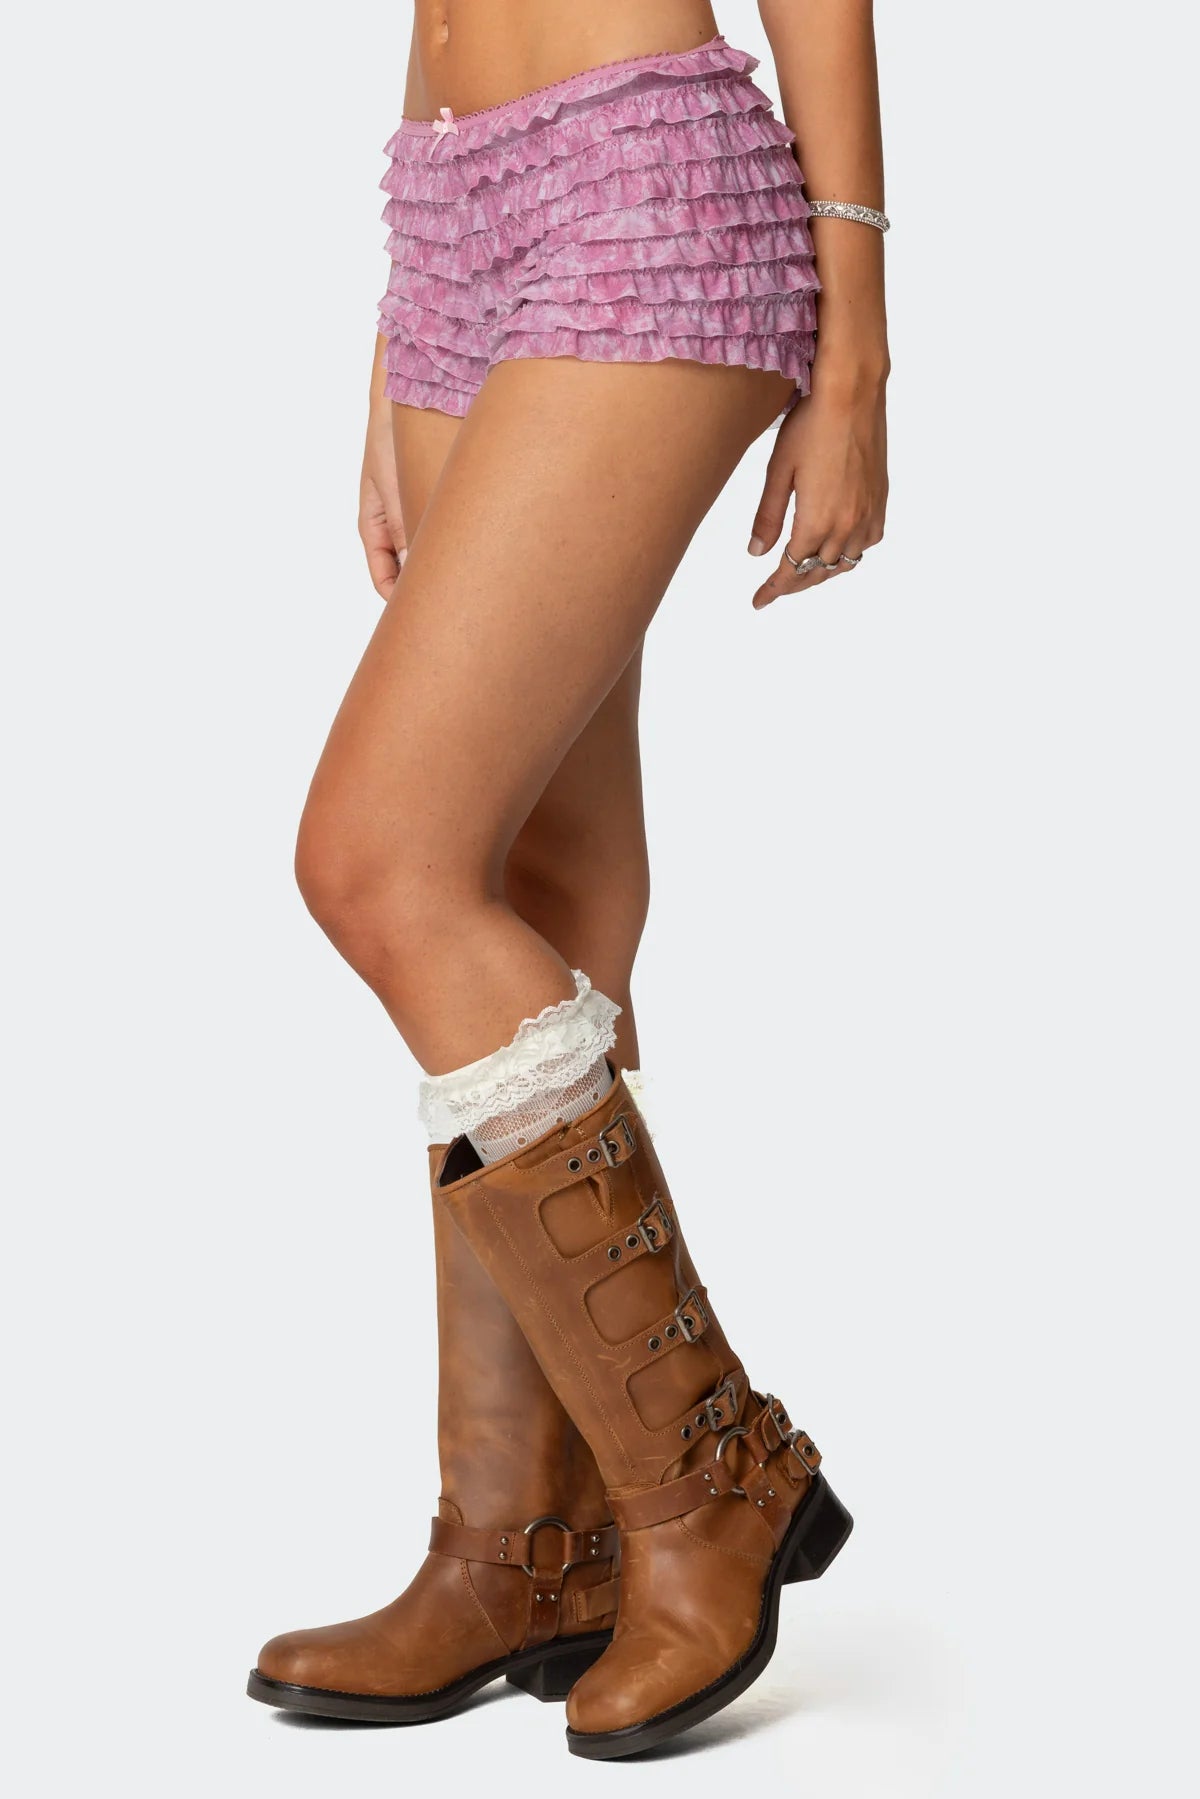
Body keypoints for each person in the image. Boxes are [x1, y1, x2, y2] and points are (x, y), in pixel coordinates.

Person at [247, 0, 888, 1757]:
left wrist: (856, 347)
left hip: (638, 178)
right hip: (455, 212)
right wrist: (406, 320)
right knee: (542, 885)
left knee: (378, 863)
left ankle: (704, 1474)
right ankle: (522, 1553)